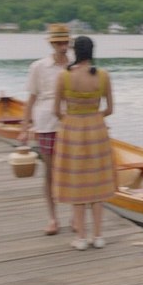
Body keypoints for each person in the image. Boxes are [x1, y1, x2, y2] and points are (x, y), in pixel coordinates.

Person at [52, 36, 117, 250]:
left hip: (72, 129)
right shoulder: (103, 75)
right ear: (91, 51)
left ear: (75, 51)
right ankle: (98, 236)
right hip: (97, 129)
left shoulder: (64, 76)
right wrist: (94, 116)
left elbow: (56, 111)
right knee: (97, 181)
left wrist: (72, 118)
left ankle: (80, 237)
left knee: (77, 182)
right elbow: (110, 109)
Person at [18, 23, 71, 235]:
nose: (62, 46)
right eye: (58, 43)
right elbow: (31, 98)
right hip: (46, 123)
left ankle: (74, 216)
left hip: (71, 123)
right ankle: (53, 218)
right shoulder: (39, 67)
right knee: (50, 172)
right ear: (52, 44)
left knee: (73, 171)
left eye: (65, 42)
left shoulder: (74, 66)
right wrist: (25, 127)